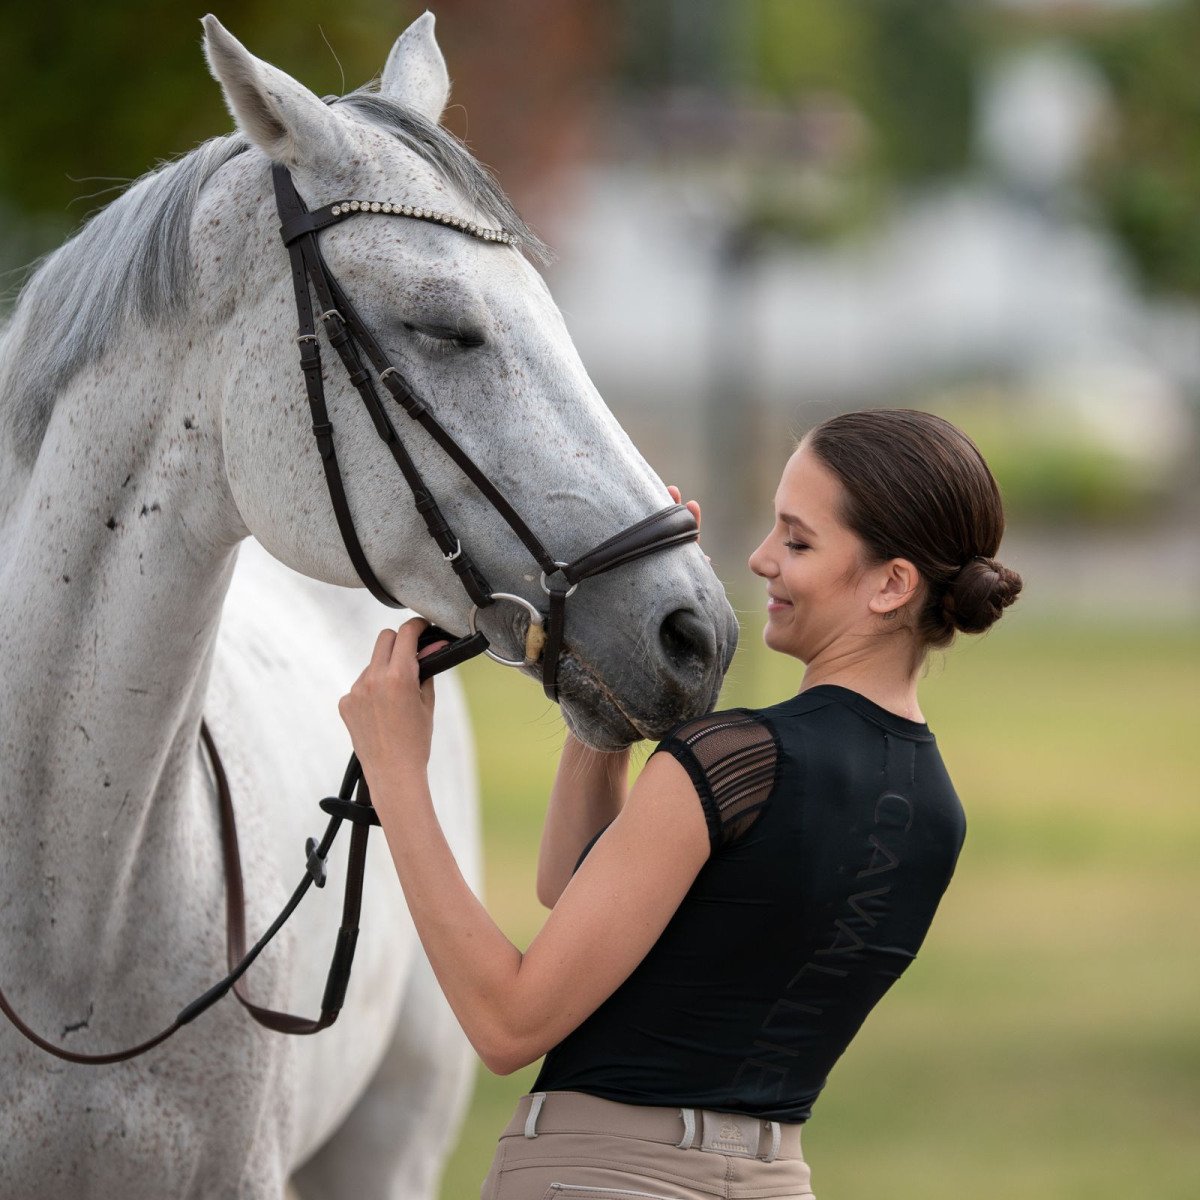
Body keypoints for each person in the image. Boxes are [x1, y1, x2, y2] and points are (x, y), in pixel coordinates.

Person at [338, 408, 1024, 1199]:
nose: (763, 559)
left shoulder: (737, 760)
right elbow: (576, 886)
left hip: (597, 1178)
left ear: (891, 584)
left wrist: (396, 776)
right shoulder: (938, 811)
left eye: (798, 541)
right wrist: (621, 643)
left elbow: (507, 1023)